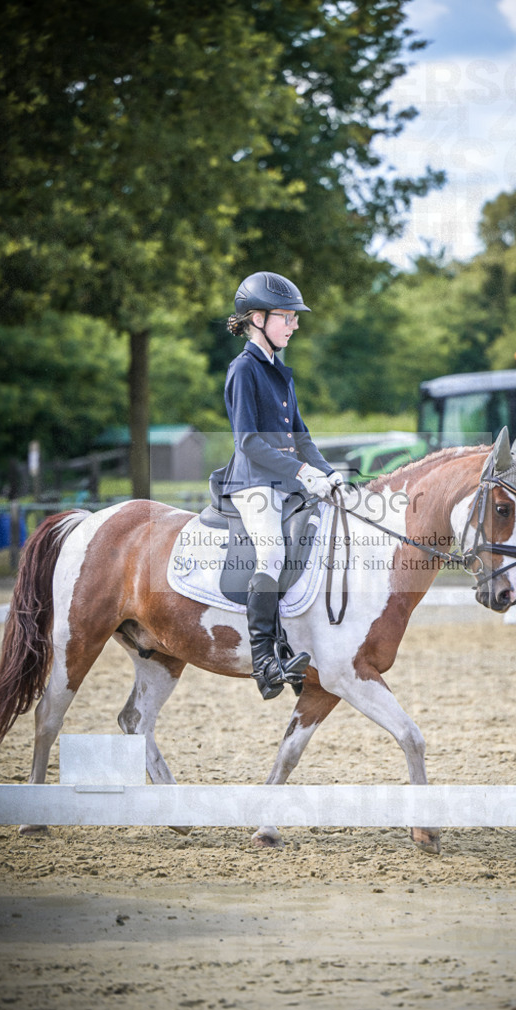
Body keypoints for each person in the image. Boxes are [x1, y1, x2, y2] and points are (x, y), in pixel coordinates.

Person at [212, 271, 343, 700]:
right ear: (257, 319)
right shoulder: (243, 370)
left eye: (293, 317)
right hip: (253, 483)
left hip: (286, 483)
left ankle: (298, 641)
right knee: (271, 550)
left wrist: (328, 473)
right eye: (287, 316)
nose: (295, 324)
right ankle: (264, 660)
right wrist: (302, 475)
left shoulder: (281, 373)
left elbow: (302, 438)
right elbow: (248, 443)